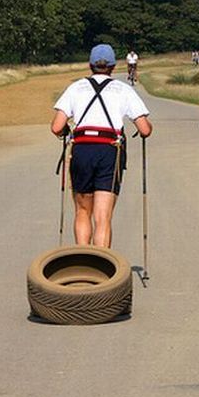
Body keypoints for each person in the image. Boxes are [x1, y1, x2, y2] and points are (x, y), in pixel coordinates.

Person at [51, 44, 152, 248]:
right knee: (103, 217)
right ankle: (102, 267)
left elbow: (56, 127)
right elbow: (145, 129)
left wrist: (66, 133)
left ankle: (82, 260)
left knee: (82, 211)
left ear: (90, 65)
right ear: (113, 67)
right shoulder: (123, 89)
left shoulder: (76, 87)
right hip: (109, 151)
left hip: (81, 150)